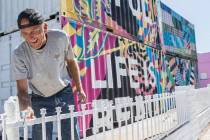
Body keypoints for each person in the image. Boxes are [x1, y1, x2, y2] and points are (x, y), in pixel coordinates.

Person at [11, 8, 86, 140]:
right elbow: (22, 90)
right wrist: (27, 109)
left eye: (35, 31)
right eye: (25, 33)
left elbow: (71, 62)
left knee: (71, 135)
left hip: (64, 93)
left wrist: (79, 89)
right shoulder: (19, 54)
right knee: (40, 137)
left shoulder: (61, 38)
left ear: (45, 27)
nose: (31, 37)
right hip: (39, 98)